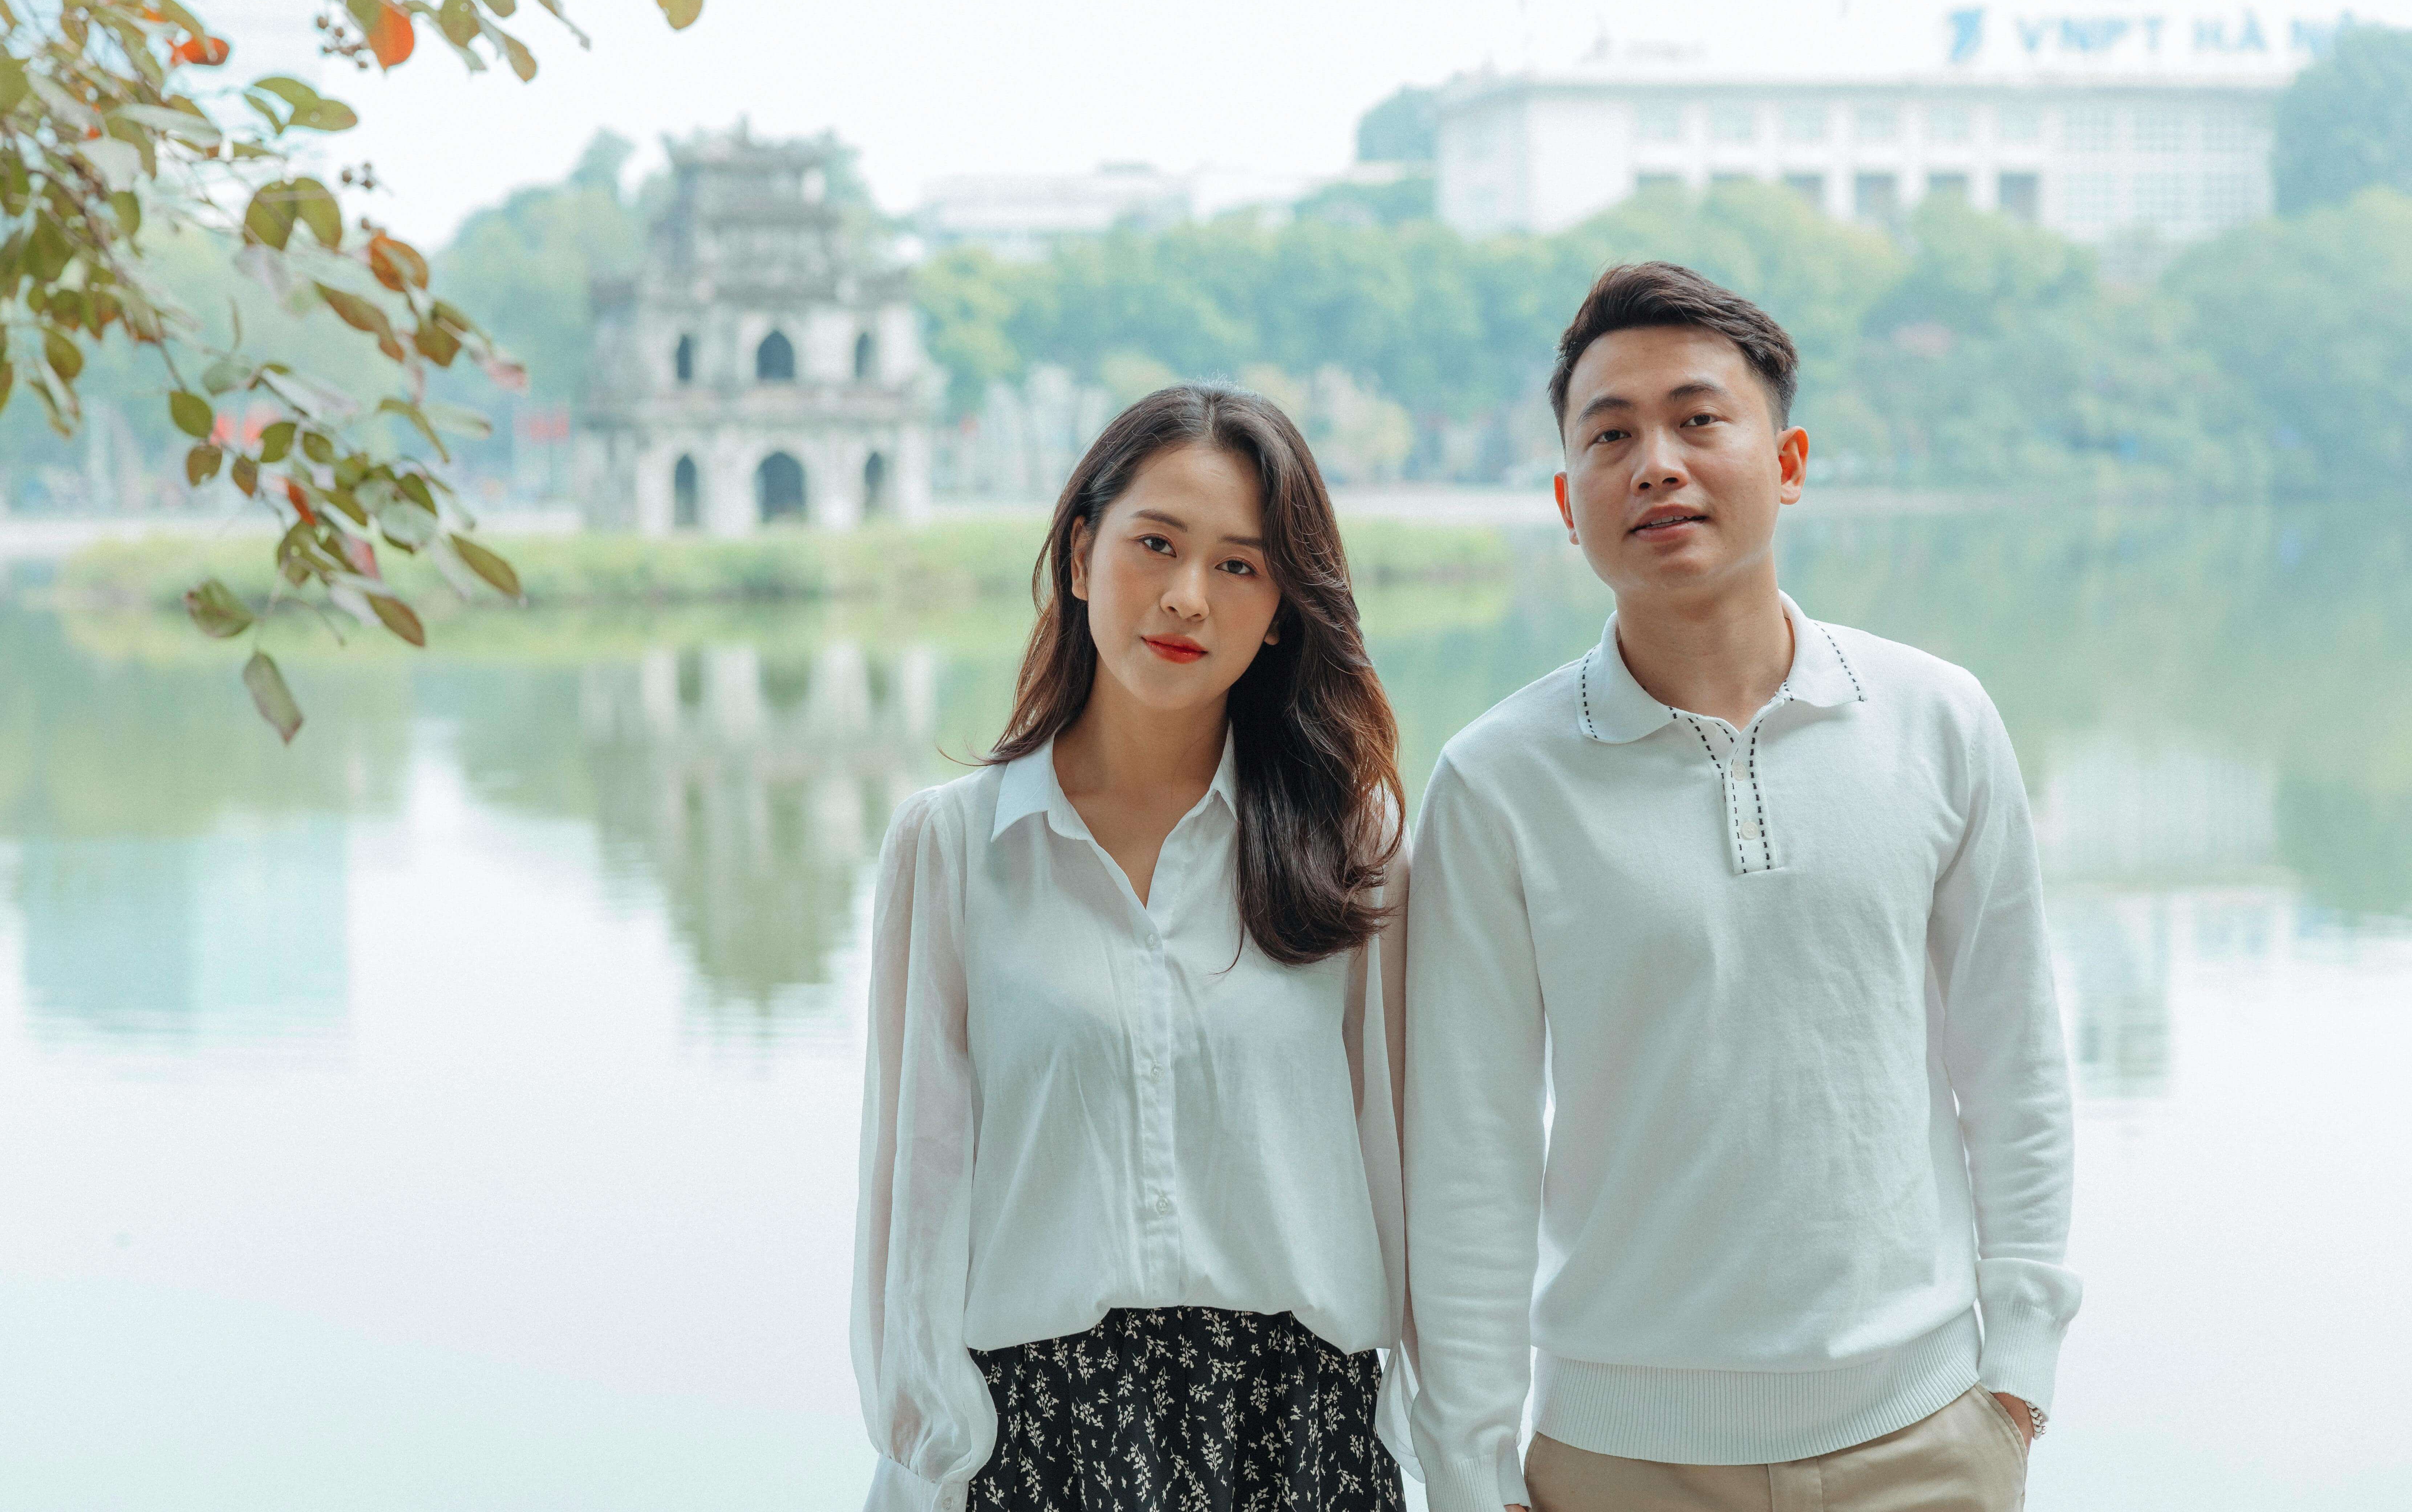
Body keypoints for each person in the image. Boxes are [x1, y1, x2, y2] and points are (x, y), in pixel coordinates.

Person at [1403, 262, 2080, 1512]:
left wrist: (2019, 1368)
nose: (1654, 462)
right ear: (1567, 500)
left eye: (1697, 418)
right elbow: (1466, 1157)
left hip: (1927, 1436)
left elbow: (2013, 1058)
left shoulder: (1936, 719)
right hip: (1617, 1457)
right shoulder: (1495, 782)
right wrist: (1465, 1463)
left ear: (1789, 460)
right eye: (1609, 436)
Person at [852, 385, 1415, 1512]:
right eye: (1154, 543)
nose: (1184, 597)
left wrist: (1447, 1438)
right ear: (1077, 555)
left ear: (1280, 612)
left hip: (1300, 1429)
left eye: (1239, 567)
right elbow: (913, 1196)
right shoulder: (955, 849)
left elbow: (1408, 1163)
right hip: (1033, 1437)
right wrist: (930, 1446)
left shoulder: (1355, 844)